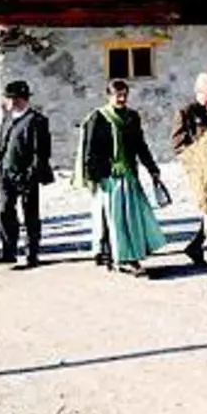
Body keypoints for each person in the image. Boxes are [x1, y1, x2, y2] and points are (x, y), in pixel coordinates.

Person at [76, 79, 168, 275]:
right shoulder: (98, 118)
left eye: (124, 94)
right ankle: (118, 257)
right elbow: (90, 150)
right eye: (118, 95)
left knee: (132, 218)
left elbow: (140, 145)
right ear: (109, 96)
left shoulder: (132, 117)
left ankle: (130, 256)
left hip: (129, 174)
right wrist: (93, 177)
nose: (122, 98)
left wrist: (152, 168)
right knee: (113, 220)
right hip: (108, 176)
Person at [0, 80, 53, 268]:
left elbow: (41, 152)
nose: (6, 102)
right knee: (6, 211)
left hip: (26, 175)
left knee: (30, 215)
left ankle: (32, 253)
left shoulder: (37, 121)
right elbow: (1, 142)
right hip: (6, 173)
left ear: (18, 99)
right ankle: (8, 250)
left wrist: (31, 174)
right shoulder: (8, 118)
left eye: (9, 98)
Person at [171, 71, 207, 266]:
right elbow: (178, 144)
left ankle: (195, 246)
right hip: (199, 170)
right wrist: (195, 158)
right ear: (199, 92)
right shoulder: (186, 112)